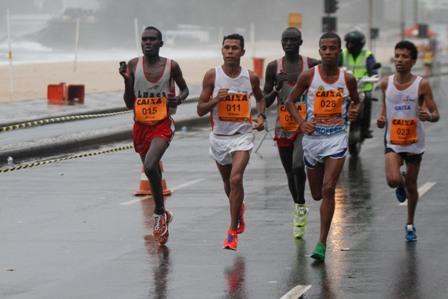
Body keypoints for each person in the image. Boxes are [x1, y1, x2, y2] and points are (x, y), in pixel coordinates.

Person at [285, 32, 360, 261]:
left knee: (329, 189)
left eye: (332, 48)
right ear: (319, 51)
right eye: (324, 48)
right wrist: (301, 123)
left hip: (336, 139)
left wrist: (355, 111)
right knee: (317, 194)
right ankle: (310, 210)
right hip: (313, 140)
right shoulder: (309, 76)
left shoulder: (347, 79)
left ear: (339, 51)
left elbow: (356, 101)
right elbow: (289, 101)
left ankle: (321, 243)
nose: (328, 52)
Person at [119, 26, 189, 245]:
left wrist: (179, 99)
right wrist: (126, 80)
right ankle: (163, 213)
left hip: (162, 124)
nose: (147, 43)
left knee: (150, 166)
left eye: (152, 40)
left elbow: (185, 89)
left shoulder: (171, 66)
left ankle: (159, 213)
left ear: (161, 43)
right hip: (140, 125)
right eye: (144, 40)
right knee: (151, 172)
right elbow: (129, 103)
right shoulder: (133, 65)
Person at [197, 33, 266, 250]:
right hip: (219, 138)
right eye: (226, 47)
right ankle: (239, 211)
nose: (230, 51)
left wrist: (261, 116)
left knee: (236, 180)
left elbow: (261, 98)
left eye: (234, 48)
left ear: (242, 52)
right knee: (228, 185)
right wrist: (217, 99)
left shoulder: (250, 77)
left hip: (242, 137)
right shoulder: (212, 76)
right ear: (221, 51)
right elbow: (200, 110)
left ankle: (231, 230)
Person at [377, 40, 439, 242]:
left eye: (404, 56)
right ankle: (400, 184)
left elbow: (436, 113)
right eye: (397, 55)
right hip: (393, 140)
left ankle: (410, 223)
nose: (400, 60)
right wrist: (381, 118)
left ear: (413, 61)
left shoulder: (422, 84)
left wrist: (428, 116)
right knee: (393, 180)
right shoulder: (386, 83)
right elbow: (385, 110)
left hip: (413, 141)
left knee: (413, 185)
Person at [264, 27, 319, 239]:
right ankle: (299, 206)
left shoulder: (312, 65)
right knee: (289, 172)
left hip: (305, 125)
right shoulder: (273, 67)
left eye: (293, 40)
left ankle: (301, 202)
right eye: (285, 40)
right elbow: (265, 101)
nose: (288, 44)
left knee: (298, 166)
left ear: (301, 42)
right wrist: (276, 89)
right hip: (283, 126)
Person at [341, 30, 378, 139]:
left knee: (368, 99)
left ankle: (365, 129)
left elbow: (373, 69)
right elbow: (335, 66)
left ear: (359, 44)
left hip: (363, 87)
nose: (349, 45)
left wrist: (374, 75)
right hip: (345, 87)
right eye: (348, 42)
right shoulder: (342, 53)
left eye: (352, 43)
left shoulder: (367, 55)